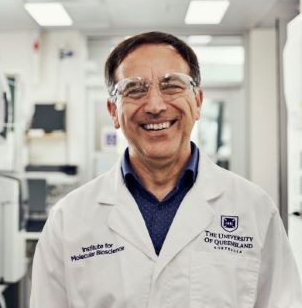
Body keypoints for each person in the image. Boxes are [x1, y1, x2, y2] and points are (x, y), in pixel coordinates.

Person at [30, 31, 302, 308]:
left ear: (197, 102)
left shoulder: (253, 208)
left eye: (172, 86)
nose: (156, 106)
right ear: (113, 111)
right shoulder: (69, 219)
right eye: (134, 89)